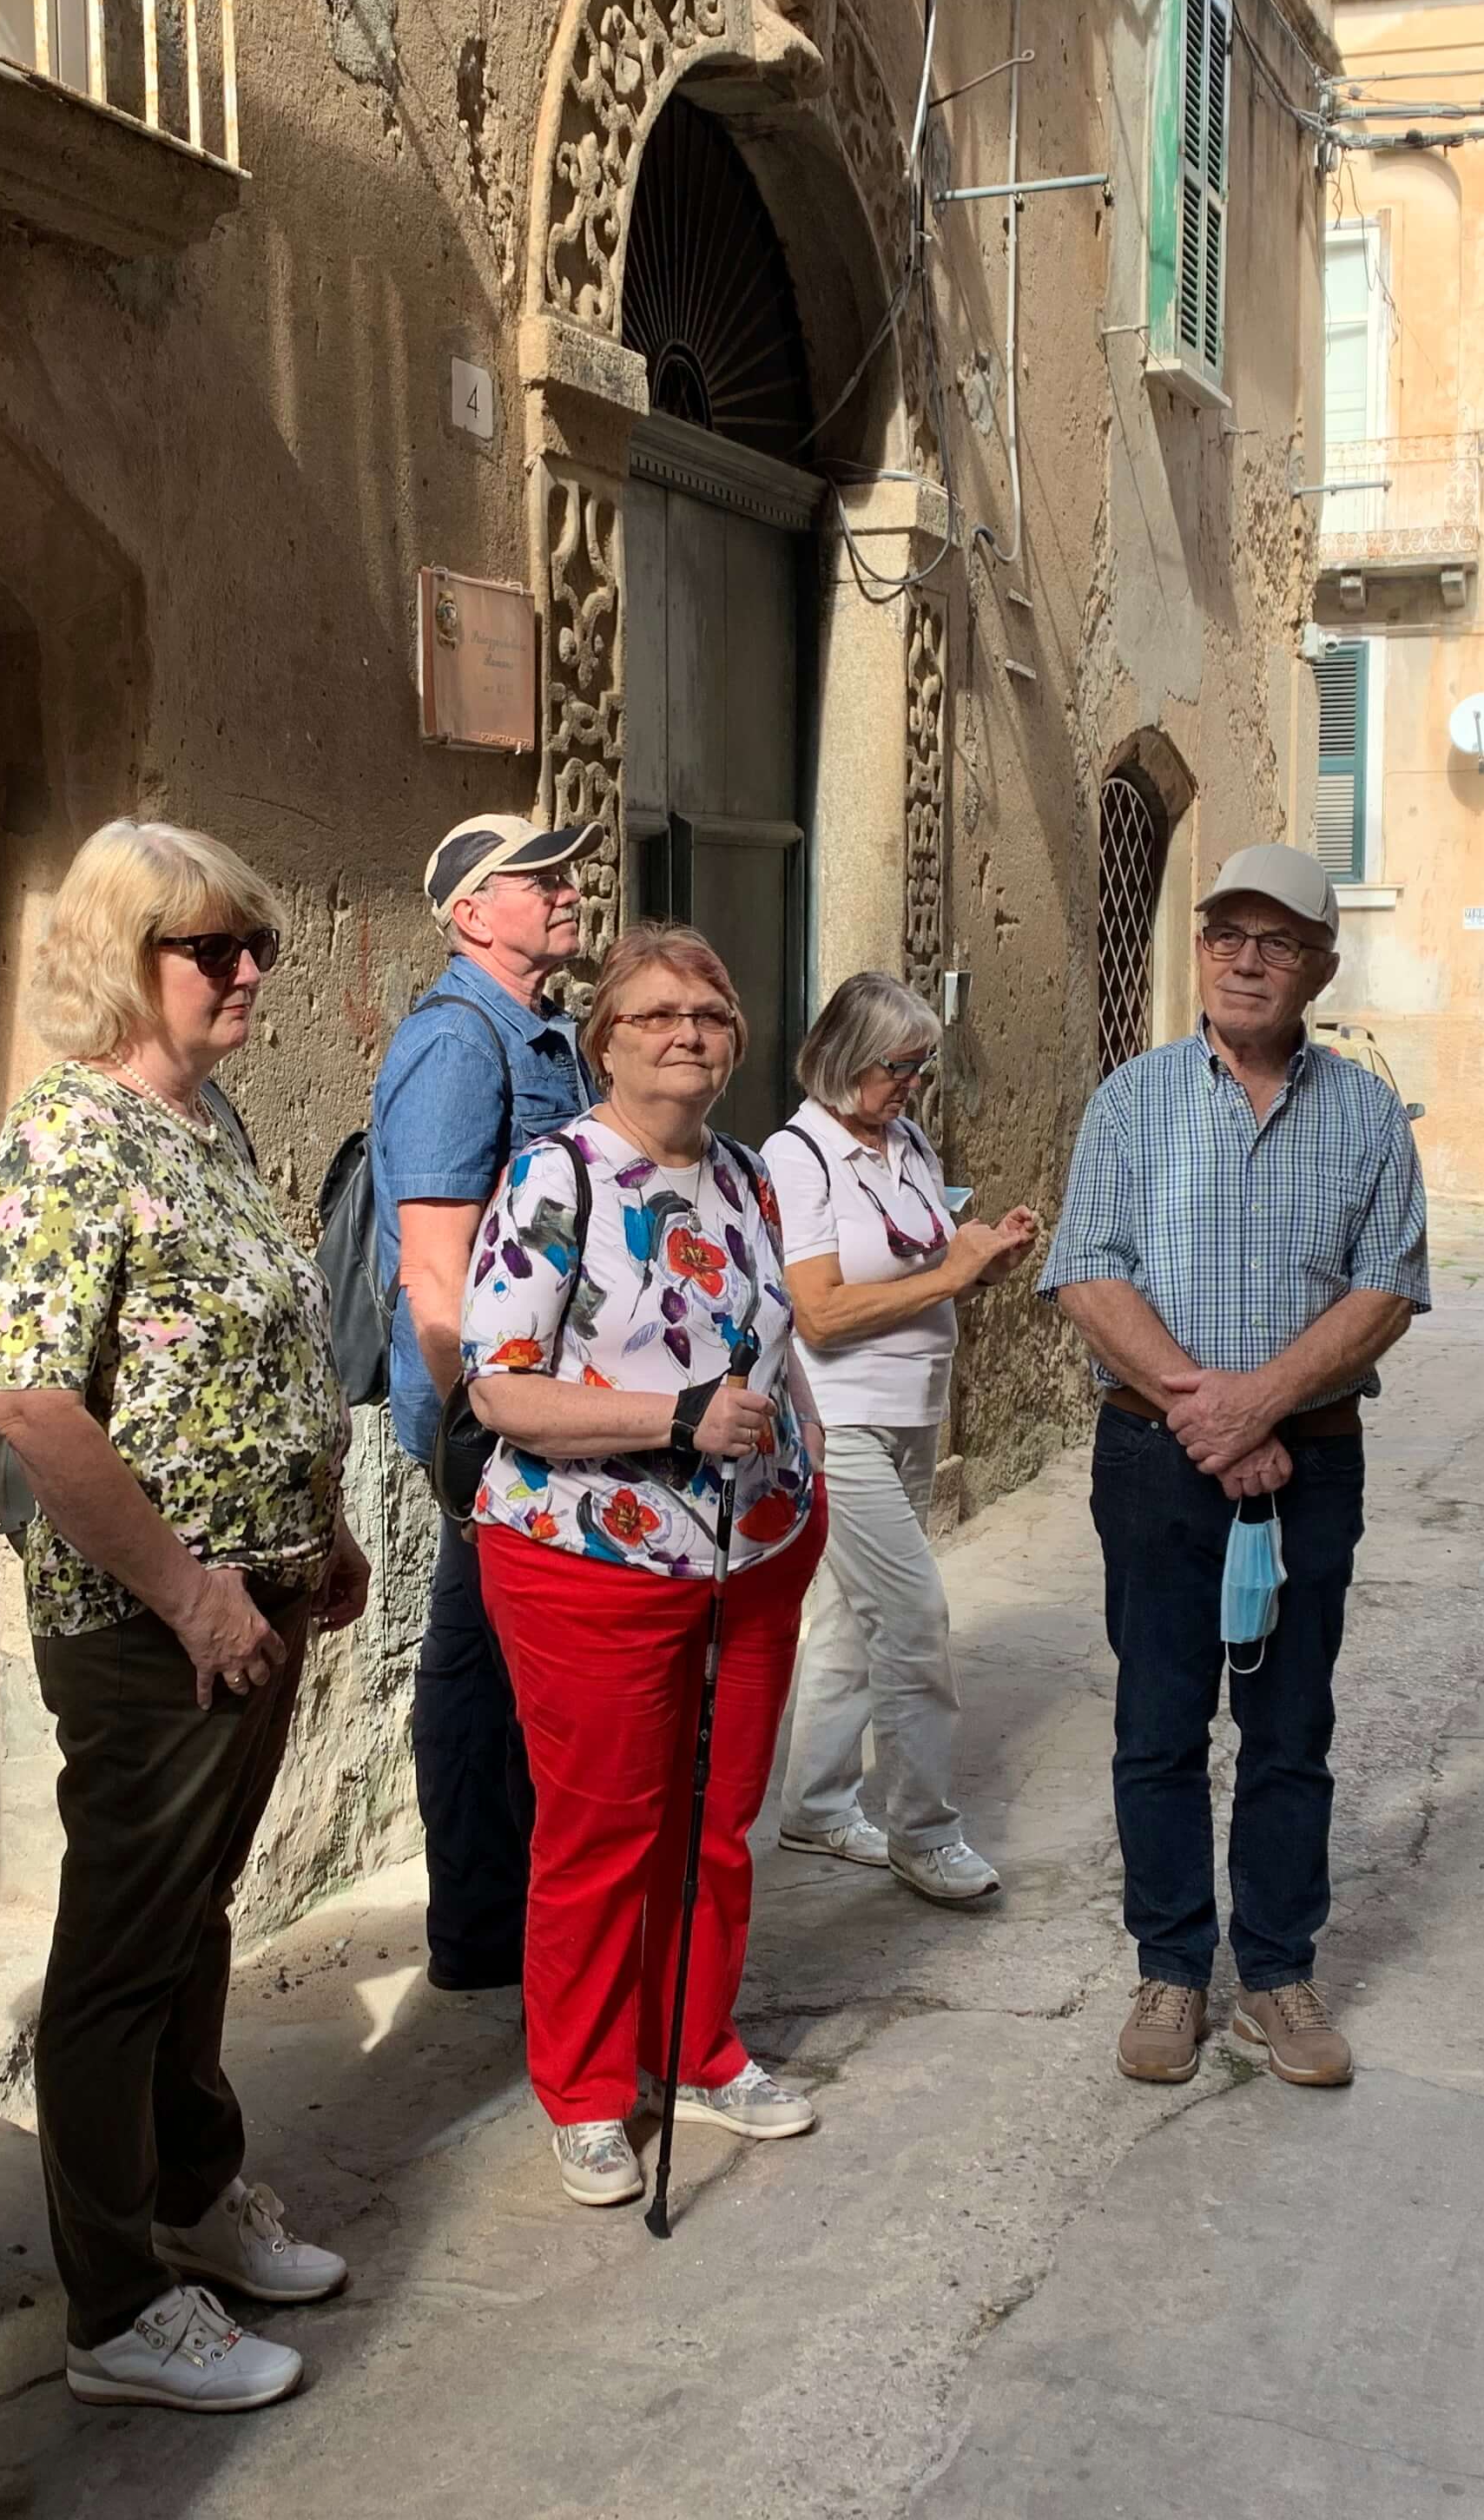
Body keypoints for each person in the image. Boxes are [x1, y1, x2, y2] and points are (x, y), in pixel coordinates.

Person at [0, 821, 374, 2412]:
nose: (250, 970)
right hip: (151, 1621)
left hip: (253, 1593)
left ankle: (191, 2194)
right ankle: (117, 2305)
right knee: (121, 1951)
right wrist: (194, 1591)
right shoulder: (69, 1136)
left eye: (254, 942)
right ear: (120, 958)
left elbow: (259, 1351)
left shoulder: (202, 1120)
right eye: (214, 947)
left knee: (192, 1915)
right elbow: (35, 1406)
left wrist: (320, 1528)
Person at [1039, 841, 1428, 2093]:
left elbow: (1388, 1289)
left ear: (1320, 966)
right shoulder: (1131, 1100)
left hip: (1310, 1465)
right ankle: (1170, 1966)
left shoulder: (1367, 1113)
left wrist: (1262, 1404)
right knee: (1157, 1722)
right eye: (1225, 936)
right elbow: (1087, 1272)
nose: (1246, 961)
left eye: (1277, 942)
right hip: (1154, 1462)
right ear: (1199, 950)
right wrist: (1208, 1414)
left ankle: (1276, 1972)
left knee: (1289, 1727)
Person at [461, 926, 828, 2207]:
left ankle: (697, 2045)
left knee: (718, 1823)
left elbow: (776, 1345)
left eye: (711, 1016)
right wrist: (675, 1420)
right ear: (604, 1040)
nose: (688, 1034)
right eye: (658, 1014)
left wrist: (808, 1477)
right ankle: (587, 2087)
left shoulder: (748, 1175)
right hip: (589, 1560)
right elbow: (500, 1392)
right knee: (605, 1833)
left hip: (753, 1555)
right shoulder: (555, 1176)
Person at [368, 810, 596, 1992]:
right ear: (471, 914)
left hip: (532, 1405)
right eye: (536, 878)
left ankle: (495, 1920)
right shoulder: (461, 1043)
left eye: (567, 873)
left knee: (501, 1659)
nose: (566, 890)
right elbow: (433, 1269)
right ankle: (479, 1925)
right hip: (495, 1418)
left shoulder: (541, 1029)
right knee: (478, 1660)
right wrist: (481, 1423)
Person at [765, 970, 1039, 1904]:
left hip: (915, 1409)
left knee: (855, 1616)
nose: (914, 1084)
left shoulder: (907, 1140)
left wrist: (987, 1259)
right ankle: (925, 1832)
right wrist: (952, 1276)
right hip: (841, 1417)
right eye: (900, 1067)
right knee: (915, 1618)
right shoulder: (798, 1155)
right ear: (847, 1059)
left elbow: (933, 1261)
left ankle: (816, 1806)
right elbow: (820, 1312)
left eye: (921, 1067)